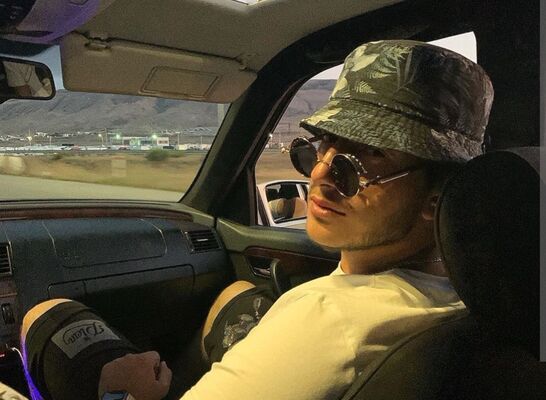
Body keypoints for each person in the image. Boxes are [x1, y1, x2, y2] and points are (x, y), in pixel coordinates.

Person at [20, 39, 494, 400]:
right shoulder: (481, 288)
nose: (321, 175)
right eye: (322, 148)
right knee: (235, 294)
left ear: (437, 195)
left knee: (46, 315)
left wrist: (129, 389)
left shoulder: (329, 320)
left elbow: (324, 332)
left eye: (362, 161)